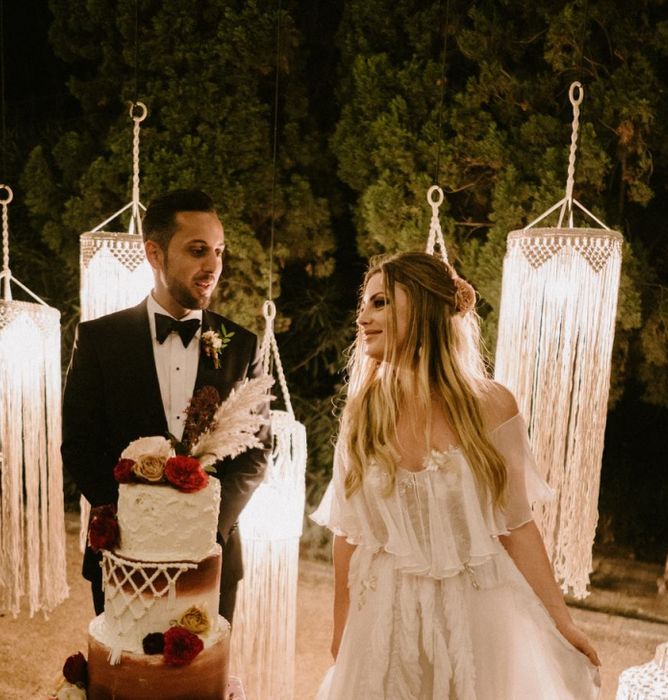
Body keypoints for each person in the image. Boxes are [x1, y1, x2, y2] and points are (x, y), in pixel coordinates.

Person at [312, 251, 600, 698]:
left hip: (479, 615)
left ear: (424, 308)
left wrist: (562, 621)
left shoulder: (492, 406)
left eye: (380, 303)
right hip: (385, 621)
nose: (363, 318)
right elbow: (348, 536)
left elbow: (517, 526)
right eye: (363, 306)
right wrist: (341, 630)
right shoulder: (362, 413)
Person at [62, 188, 270, 623]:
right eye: (198, 251)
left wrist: (205, 527)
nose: (213, 266)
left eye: (218, 251)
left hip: (211, 559)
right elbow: (80, 444)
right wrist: (136, 523)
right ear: (154, 254)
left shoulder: (241, 346)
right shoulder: (100, 340)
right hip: (121, 552)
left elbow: (254, 453)